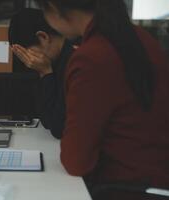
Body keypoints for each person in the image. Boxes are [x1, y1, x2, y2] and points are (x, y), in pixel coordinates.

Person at [16, 0, 169, 199]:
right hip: (155, 182)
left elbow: (76, 161)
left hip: (124, 188)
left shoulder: (92, 56)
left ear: (54, 9)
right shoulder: (142, 39)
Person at [10, 8, 79, 139]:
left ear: (43, 37)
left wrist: (46, 74)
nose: (29, 62)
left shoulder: (75, 61)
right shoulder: (52, 62)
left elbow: (59, 127)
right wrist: (43, 73)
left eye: (28, 54)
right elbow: (46, 120)